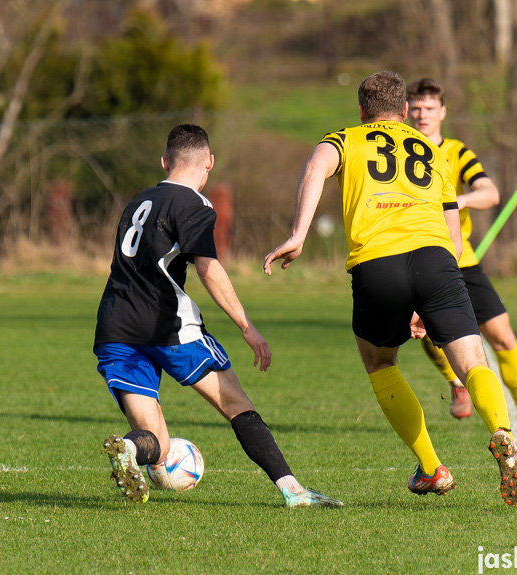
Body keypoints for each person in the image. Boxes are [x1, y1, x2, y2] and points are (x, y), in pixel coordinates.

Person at [264, 71, 517, 507]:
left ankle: (431, 467)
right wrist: (434, 293)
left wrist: (298, 233)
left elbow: (315, 167)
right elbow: (452, 231)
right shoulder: (431, 150)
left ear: (362, 111)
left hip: (376, 264)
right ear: (405, 112)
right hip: (437, 260)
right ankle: (501, 431)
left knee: (380, 362)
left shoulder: (345, 139)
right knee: (471, 360)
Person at [95, 124, 341, 508]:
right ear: (209, 162)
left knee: (156, 446)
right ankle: (293, 490)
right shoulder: (194, 204)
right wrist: (247, 327)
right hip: (169, 327)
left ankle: (129, 448)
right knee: (236, 405)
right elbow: (208, 268)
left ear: (164, 162)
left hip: (114, 328)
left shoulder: (137, 203)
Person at [406, 78, 517, 434]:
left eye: (429, 108)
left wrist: (458, 200)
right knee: (425, 332)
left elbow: (490, 192)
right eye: (416, 108)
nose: (422, 114)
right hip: (416, 259)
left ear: (442, 112)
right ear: (406, 111)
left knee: (503, 336)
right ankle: (457, 383)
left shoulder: (457, 152)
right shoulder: (400, 150)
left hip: (462, 261)